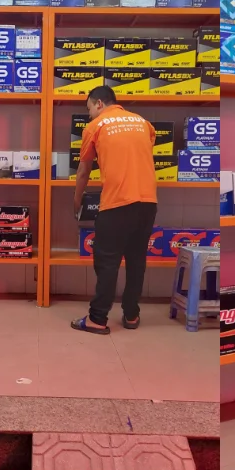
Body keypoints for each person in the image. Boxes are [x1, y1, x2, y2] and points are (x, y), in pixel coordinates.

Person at [71, 86, 158, 335]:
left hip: (117, 203)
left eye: (89, 108)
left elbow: (84, 171)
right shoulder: (143, 123)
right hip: (148, 202)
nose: (89, 114)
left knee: (107, 262)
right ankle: (131, 315)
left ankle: (97, 319)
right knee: (136, 261)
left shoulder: (95, 126)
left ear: (99, 103)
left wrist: (76, 201)